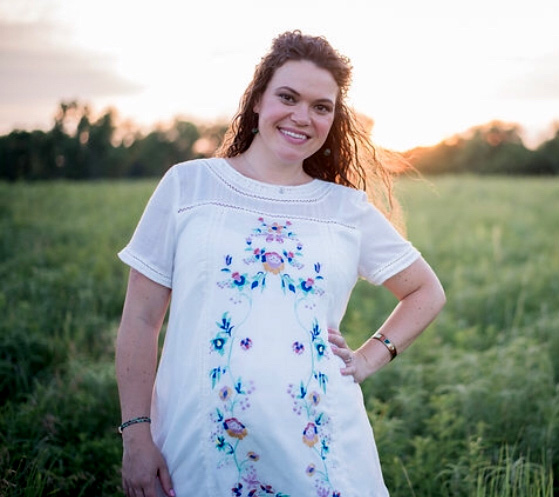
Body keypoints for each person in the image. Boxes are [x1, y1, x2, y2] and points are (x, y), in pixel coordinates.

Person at [115, 30, 445, 497]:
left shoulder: (345, 209)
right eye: (287, 97)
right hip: (199, 449)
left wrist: (368, 358)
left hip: (322, 450)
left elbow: (426, 291)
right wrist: (136, 436)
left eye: (321, 107)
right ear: (257, 100)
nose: (302, 117)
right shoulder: (189, 187)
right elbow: (140, 319)